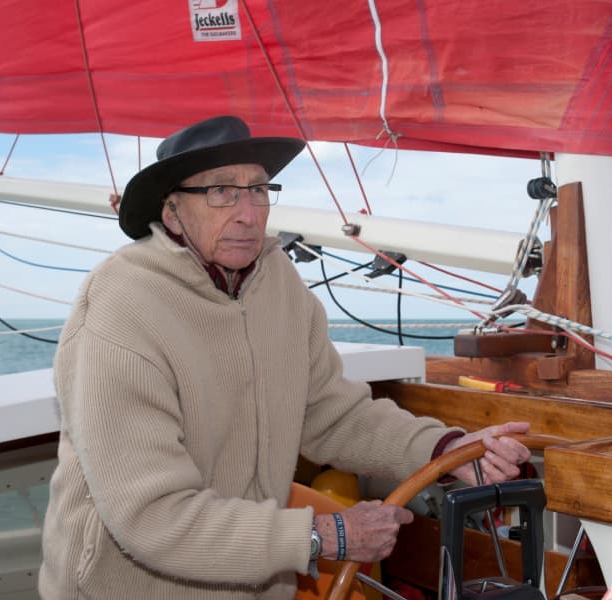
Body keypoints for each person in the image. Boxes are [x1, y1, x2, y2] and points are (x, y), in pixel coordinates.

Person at [38, 115, 532, 599]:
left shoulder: (277, 283)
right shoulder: (119, 309)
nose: (248, 212)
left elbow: (330, 414)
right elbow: (151, 517)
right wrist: (321, 537)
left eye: (257, 189)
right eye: (221, 191)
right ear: (171, 212)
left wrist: (444, 450)